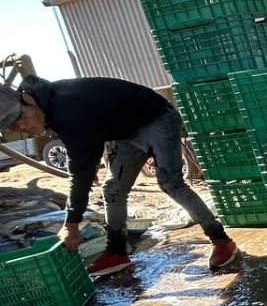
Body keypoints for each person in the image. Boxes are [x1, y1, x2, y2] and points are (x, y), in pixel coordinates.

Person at [0, 76, 238, 276]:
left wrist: (71, 226)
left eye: (21, 117)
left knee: (170, 183)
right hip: (124, 131)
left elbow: (81, 172)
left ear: (27, 99)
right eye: (13, 126)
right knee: (112, 189)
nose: (21, 127)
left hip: (156, 118)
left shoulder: (67, 110)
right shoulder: (47, 106)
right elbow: (86, 161)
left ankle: (221, 240)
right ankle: (117, 252)